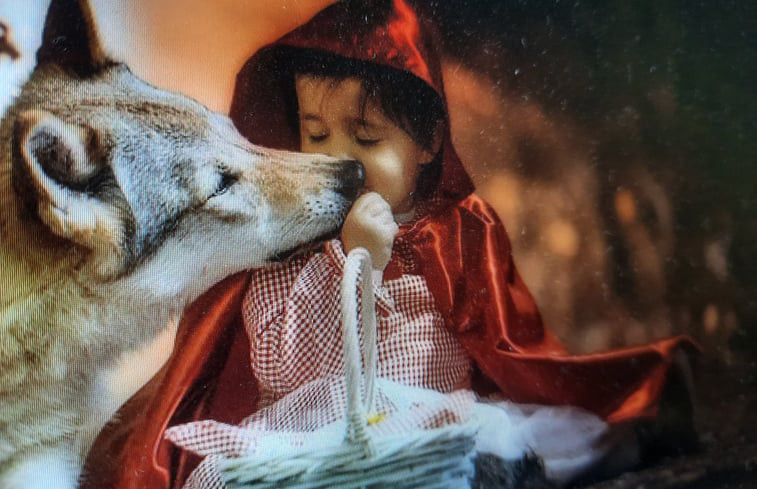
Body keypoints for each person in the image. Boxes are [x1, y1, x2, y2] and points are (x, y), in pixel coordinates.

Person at [81, 1, 697, 488]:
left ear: (428, 140)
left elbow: (503, 343)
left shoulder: (456, 232)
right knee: (221, 475)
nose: (338, 161)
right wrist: (357, 264)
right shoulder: (290, 246)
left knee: (494, 433)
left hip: (430, 414)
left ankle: (491, 471)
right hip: (312, 432)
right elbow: (277, 363)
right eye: (316, 134)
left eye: (367, 137)